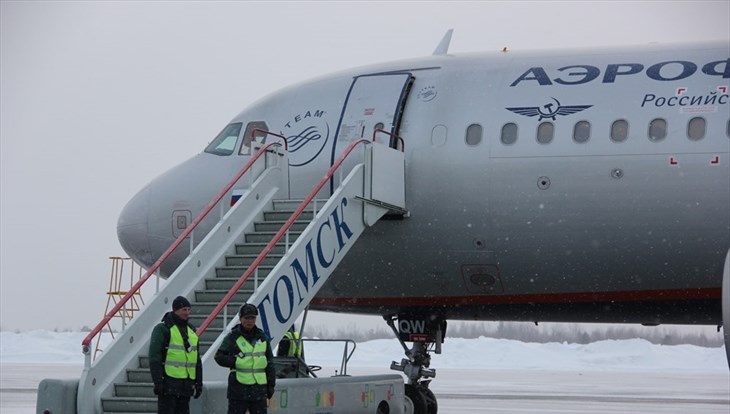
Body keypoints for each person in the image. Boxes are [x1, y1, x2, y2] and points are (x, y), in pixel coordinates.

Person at [215, 303, 276, 414]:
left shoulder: (262, 338)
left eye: (252, 318)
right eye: (247, 318)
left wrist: (270, 385)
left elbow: (270, 363)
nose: (250, 321)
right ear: (240, 319)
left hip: (259, 390)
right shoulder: (233, 337)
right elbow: (219, 357)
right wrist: (236, 361)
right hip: (238, 390)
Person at [148, 295, 202, 414]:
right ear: (175, 310)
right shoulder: (163, 329)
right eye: (184, 310)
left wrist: (199, 382)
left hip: (186, 385)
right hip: (169, 384)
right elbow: (154, 356)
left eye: (188, 309)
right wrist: (158, 381)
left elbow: (196, 359)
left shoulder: (191, 330)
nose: (187, 313)